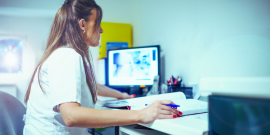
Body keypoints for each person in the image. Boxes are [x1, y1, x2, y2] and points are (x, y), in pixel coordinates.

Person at [23, 0, 181, 134]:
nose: (101, 29)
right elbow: (71, 116)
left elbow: (92, 85)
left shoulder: (65, 53)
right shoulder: (67, 55)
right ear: (83, 24)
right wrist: (140, 114)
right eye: (97, 23)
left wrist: (122, 95)